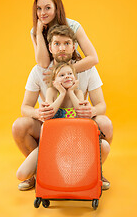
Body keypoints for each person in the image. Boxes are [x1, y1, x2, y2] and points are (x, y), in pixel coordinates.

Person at [12, 25, 113, 191]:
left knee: (105, 122)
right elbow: (25, 107)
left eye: (66, 43)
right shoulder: (38, 71)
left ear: (74, 46)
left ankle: (95, 171)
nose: (62, 48)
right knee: (19, 125)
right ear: (50, 47)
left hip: (78, 131)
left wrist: (92, 111)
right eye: (57, 44)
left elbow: (102, 105)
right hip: (50, 130)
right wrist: (37, 112)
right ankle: (40, 172)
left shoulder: (88, 70)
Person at [16, 62, 84, 181]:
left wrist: (71, 92)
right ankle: (40, 174)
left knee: (68, 175)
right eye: (62, 75)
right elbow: (49, 115)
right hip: (51, 143)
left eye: (70, 74)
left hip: (72, 143)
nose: (67, 76)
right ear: (54, 82)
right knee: (21, 174)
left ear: (75, 78)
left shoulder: (78, 93)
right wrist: (62, 93)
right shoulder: (51, 92)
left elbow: (81, 112)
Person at [31, 0, 99, 74]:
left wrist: (64, 71)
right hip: (50, 75)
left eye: (47, 8)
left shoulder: (73, 26)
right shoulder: (35, 31)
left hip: (73, 71)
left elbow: (93, 58)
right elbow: (43, 64)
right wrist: (39, 33)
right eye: (39, 8)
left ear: (56, 8)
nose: (42, 13)